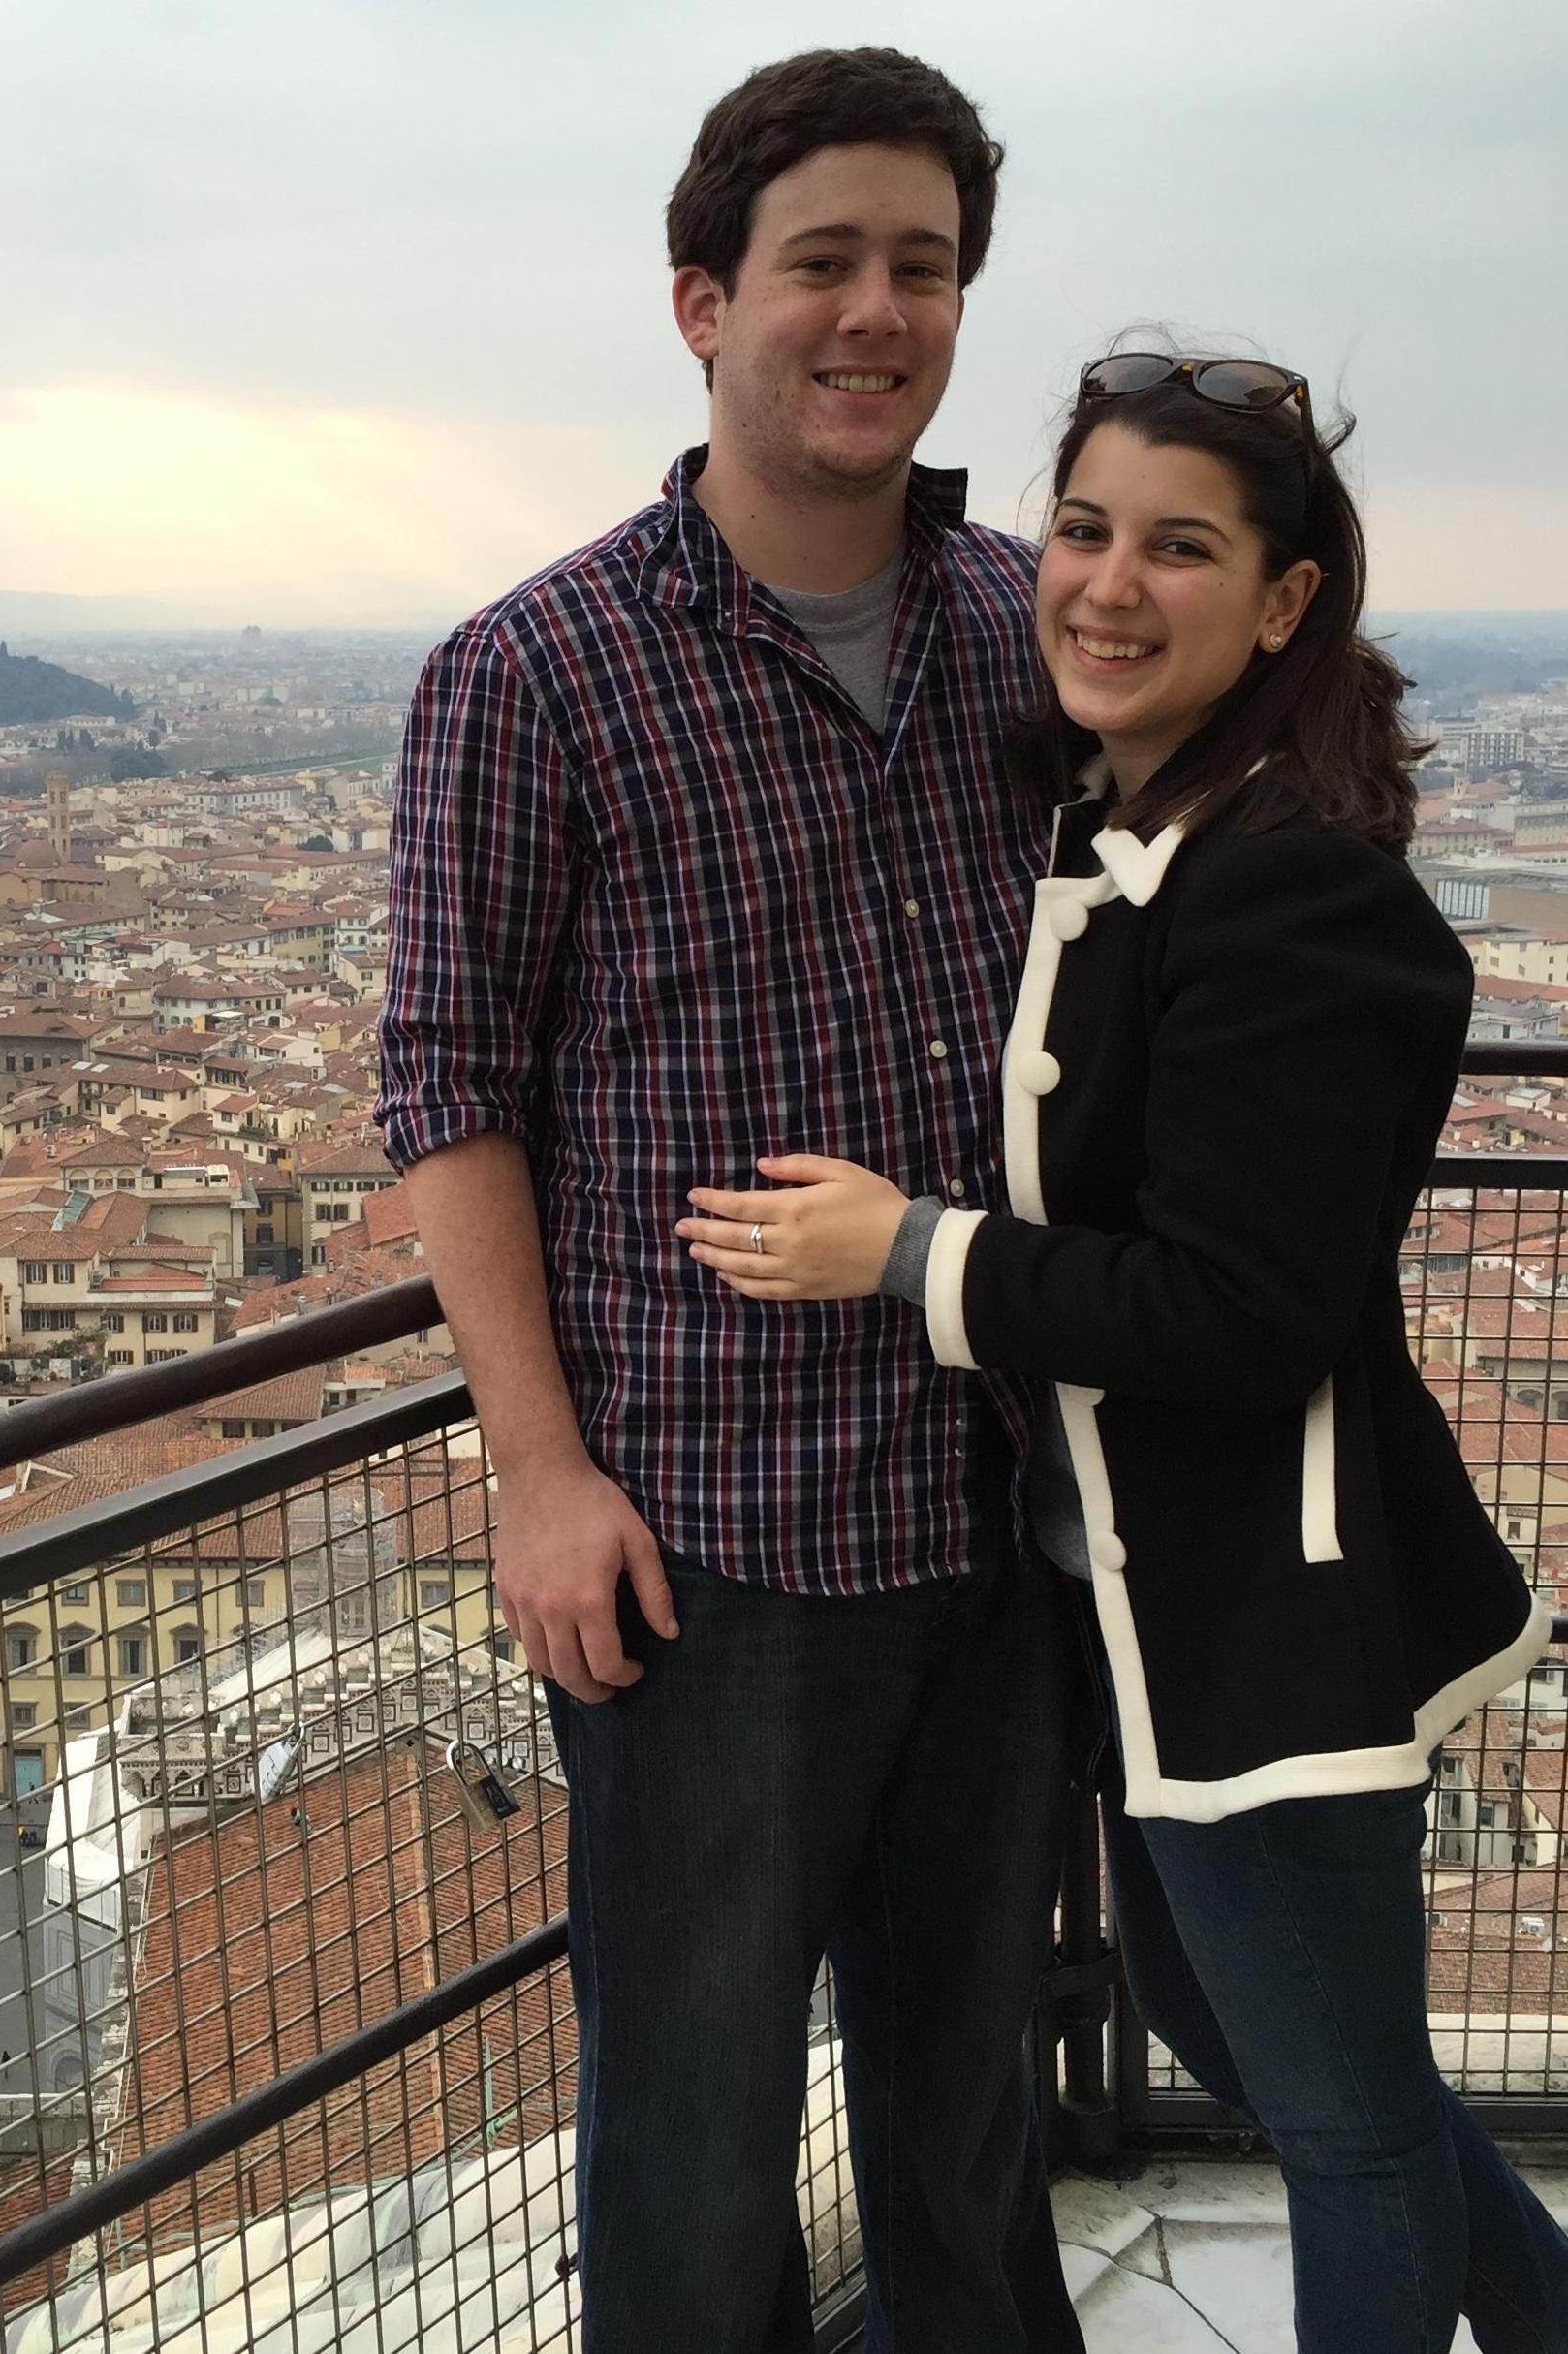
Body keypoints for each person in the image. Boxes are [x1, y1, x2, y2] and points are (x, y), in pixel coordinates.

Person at [683, 353, 1568, 2352]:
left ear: (1283, 604)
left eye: (1180, 546)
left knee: (1339, 2125)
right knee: (1266, 2050)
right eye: (1083, 531)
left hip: (1279, 1614)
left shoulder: (1299, 889)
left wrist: (901, 1254)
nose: (1104, 580)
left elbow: (1240, 1318)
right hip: (1149, 1621)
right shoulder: (1120, 836)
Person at [378, 47, 1084, 2354]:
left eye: (924, 266)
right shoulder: (534, 672)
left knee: (972, 2107)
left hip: (1000, 1497)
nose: (876, 312)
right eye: (823, 265)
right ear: (702, 301)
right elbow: (453, 1098)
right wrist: (542, 1479)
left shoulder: (1023, 631)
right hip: (706, 1543)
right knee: (686, 2139)